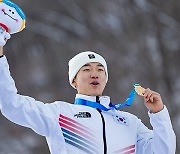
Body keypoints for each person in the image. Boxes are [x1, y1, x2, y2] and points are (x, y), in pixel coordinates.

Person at [0, 42, 176, 154]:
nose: (94, 74)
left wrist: (159, 114)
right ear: (74, 80)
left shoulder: (130, 122)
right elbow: (11, 105)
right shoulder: (60, 114)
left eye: (100, 69)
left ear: (106, 78)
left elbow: (164, 151)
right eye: (86, 69)